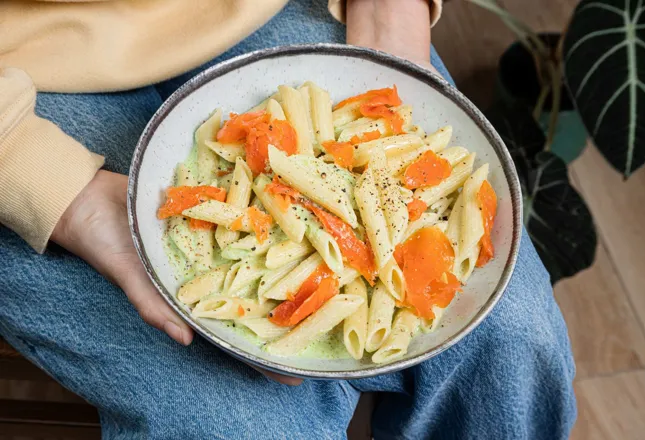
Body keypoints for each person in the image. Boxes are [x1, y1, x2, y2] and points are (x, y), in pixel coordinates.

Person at [0, 0, 576, 438]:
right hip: (20, 76)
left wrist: (388, 10)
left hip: (264, 12)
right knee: (243, 424)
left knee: (515, 338)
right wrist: (60, 190)